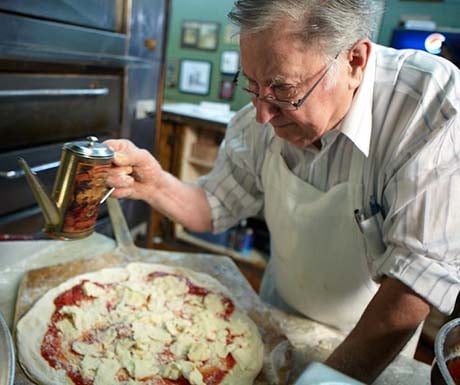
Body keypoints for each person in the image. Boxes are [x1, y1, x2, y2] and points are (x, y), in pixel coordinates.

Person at [105, 0, 460, 382]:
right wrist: (156, 184)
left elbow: (416, 279)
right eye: (252, 85)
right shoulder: (257, 119)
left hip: (372, 340)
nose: (262, 114)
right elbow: (215, 206)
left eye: (282, 89)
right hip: (280, 312)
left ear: (354, 61)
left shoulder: (428, 102)